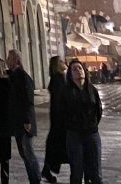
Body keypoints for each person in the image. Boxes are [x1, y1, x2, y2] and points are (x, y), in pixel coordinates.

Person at [63, 60, 103, 184]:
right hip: (75, 134)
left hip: (91, 133)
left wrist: (93, 123)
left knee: (95, 171)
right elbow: (62, 113)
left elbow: (98, 109)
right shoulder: (66, 92)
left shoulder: (92, 90)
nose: (78, 71)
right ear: (70, 74)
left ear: (84, 71)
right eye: (74, 69)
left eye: (79, 68)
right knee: (77, 171)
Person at [7, 49, 40, 184]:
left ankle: (35, 179)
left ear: (16, 60)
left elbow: (27, 100)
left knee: (28, 153)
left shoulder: (23, 77)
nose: (7, 61)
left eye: (9, 58)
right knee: (24, 153)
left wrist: (27, 120)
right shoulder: (14, 76)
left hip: (25, 122)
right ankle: (33, 178)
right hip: (17, 122)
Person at [41, 55, 68, 183]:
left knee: (55, 144)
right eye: (61, 62)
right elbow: (60, 100)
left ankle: (47, 169)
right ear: (57, 66)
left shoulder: (59, 78)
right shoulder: (58, 79)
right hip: (60, 118)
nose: (64, 63)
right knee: (57, 144)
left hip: (58, 117)